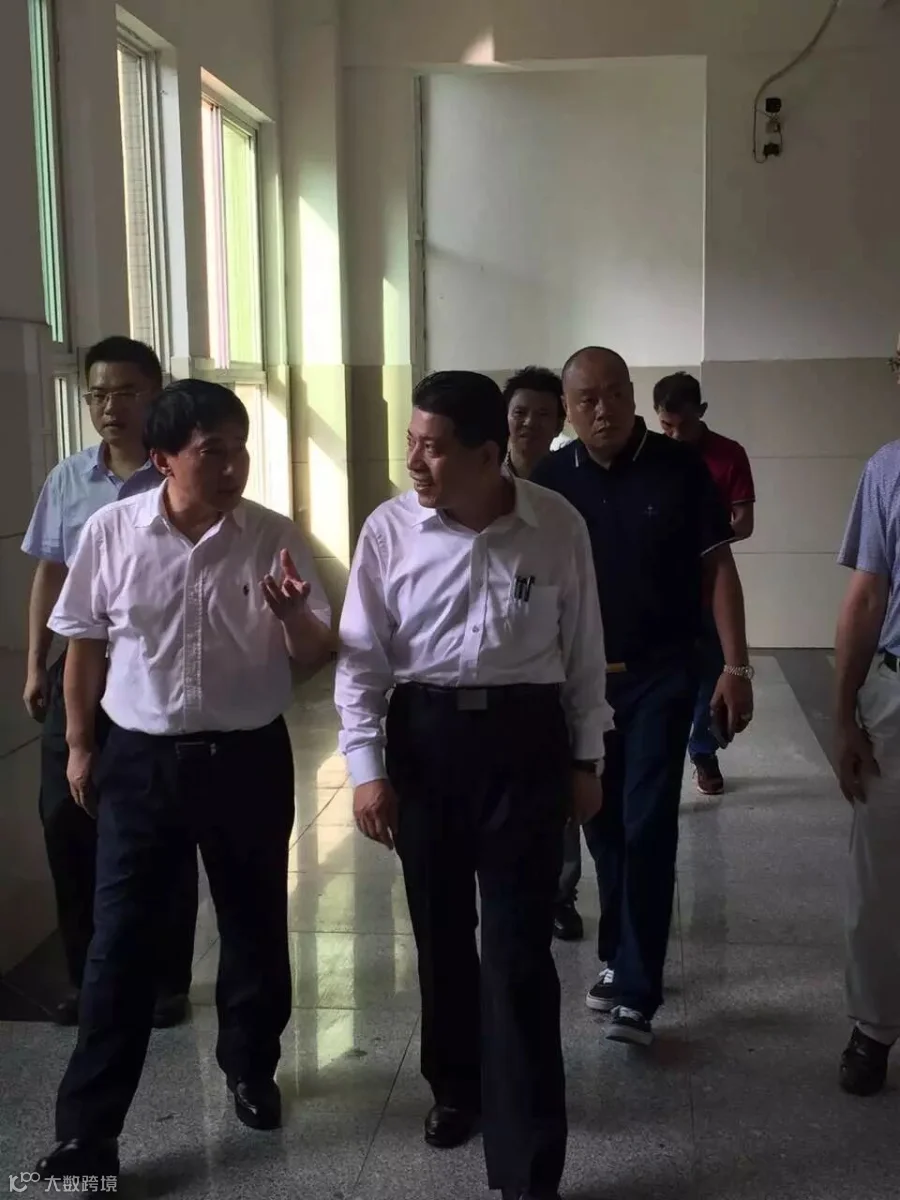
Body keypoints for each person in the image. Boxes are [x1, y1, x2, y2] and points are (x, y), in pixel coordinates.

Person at [35, 380, 335, 1182]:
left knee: (253, 922)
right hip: (141, 762)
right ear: (164, 458)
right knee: (120, 943)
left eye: (240, 450)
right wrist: (79, 746)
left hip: (247, 758)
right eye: (213, 452)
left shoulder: (272, 536)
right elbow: (84, 646)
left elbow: (315, 654)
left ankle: (251, 1067)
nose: (233, 466)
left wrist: (292, 615)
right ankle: (87, 1132)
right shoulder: (112, 532)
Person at [336, 370, 611, 1200]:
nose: (414, 462)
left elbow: (584, 651)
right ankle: (455, 1085)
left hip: (526, 744)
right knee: (442, 933)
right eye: (411, 443)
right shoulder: (390, 530)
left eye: (433, 448)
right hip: (426, 743)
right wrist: (366, 772)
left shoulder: (555, 525)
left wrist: (586, 761)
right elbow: (361, 661)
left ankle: (529, 1162)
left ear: (489, 455)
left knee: (520, 952)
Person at [532, 347, 754, 1047]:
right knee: (602, 825)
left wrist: (737, 667)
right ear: (568, 411)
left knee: (648, 820)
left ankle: (636, 989)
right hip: (582, 681)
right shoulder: (549, 481)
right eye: (586, 400)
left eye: (614, 395)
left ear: (632, 396)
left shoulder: (679, 468)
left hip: (662, 674)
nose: (602, 410)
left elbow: (718, 569)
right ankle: (620, 955)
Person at [21, 336, 198, 1028]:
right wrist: (36, 661)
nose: (110, 407)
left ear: (157, 394)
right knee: (66, 822)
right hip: (79, 670)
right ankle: (87, 978)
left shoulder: (179, 474)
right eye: (97, 394)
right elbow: (50, 572)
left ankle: (165, 982)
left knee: (160, 827)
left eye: (126, 392)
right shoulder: (69, 479)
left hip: (152, 674)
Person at [503, 367, 584, 942]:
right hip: (500, 661)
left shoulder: (569, 492)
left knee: (559, 777)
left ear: (560, 421)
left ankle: (560, 892)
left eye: (543, 414)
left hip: (556, 655)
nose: (530, 423)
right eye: (519, 412)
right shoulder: (480, 482)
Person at [833, 434, 900, 1097]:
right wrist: (842, 715)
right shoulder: (889, 468)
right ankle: (874, 1029)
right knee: (881, 873)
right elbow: (866, 597)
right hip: (898, 697)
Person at [653, 372, 756, 797]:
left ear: (702, 411)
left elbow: (744, 523)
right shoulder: (653, 457)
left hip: (711, 584)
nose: (675, 436)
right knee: (663, 680)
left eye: (684, 425)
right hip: (661, 591)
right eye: (666, 426)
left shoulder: (729, 454)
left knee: (712, 675)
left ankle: (702, 750)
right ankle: (659, 761)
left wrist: (702, 536)